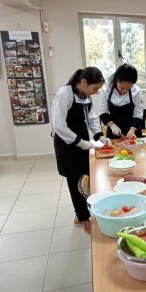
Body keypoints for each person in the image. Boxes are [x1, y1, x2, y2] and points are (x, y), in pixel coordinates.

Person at [52, 67, 112, 234]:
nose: (95, 92)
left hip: (82, 141)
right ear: (83, 82)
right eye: (95, 88)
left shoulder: (85, 96)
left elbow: (92, 118)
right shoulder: (65, 94)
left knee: (87, 176)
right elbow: (58, 125)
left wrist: (100, 136)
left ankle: (91, 210)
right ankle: (81, 218)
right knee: (75, 182)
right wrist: (80, 142)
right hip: (67, 143)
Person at [98, 64, 144, 140]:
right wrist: (113, 126)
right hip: (113, 131)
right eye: (122, 87)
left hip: (133, 130)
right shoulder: (106, 90)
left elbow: (138, 114)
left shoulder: (136, 91)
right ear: (117, 80)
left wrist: (132, 130)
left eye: (128, 87)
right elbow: (103, 112)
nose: (124, 90)